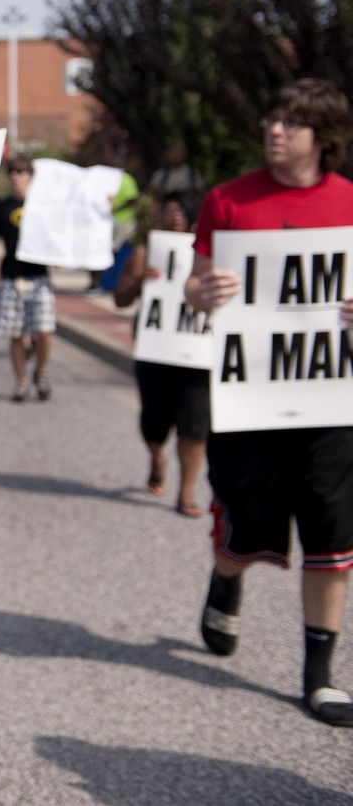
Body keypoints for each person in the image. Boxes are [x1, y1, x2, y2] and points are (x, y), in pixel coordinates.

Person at [184, 78, 353, 728]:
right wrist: (203, 295)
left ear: (324, 136)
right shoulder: (227, 201)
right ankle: (227, 577)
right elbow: (196, 286)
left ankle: (320, 675)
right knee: (243, 527)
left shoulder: (348, 203)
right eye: (272, 117)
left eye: (292, 121)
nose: (275, 129)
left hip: (331, 399)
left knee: (333, 535)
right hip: (250, 397)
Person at [111, 192, 208, 517]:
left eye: (182, 210)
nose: (176, 216)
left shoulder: (210, 254)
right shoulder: (145, 252)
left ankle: (186, 492)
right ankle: (157, 456)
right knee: (153, 423)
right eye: (170, 210)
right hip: (155, 352)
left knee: (195, 424)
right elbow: (120, 299)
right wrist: (140, 279)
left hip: (197, 354)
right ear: (160, 217)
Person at [0, 156, 54, 401]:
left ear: (30, 176)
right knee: (16, 333)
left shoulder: (43, 206)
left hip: (39, 277)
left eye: (21, 171)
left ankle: (41, 371)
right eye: (12, 171)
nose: (15, 176)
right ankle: (21, 382)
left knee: (43, 330)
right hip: (11, 277)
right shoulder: (3, 206)